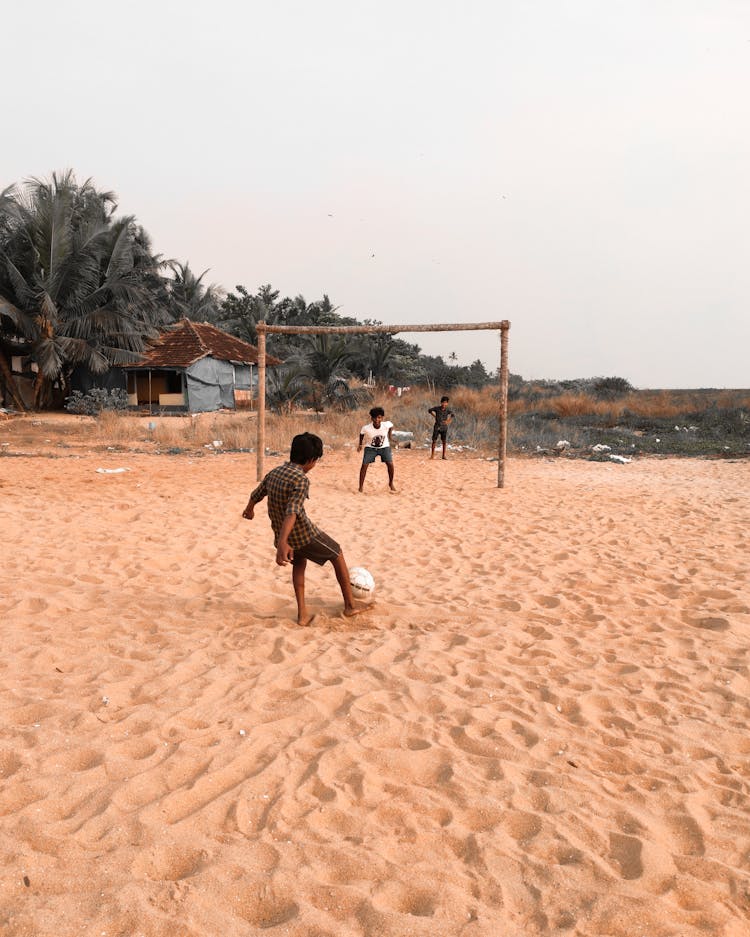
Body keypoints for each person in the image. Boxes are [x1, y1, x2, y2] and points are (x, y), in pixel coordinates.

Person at [243, 432, 368, 626]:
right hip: (301, 534)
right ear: (310, 460)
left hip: (282, 535)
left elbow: (257, 493)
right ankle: (350, 606)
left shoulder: (275, 472)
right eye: (316, 461)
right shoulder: (301, 479)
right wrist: (283, 543)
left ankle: (302, 615)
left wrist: (249, 509)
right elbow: (292, 512)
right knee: (337, 552)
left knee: (299, 565)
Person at [358, 406, 396, 492]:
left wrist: (389, 437)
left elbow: (391, 426)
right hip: (370, 448)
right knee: (364, 465)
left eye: (379, 417)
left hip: (384, 447)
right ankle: (360, 486)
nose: (377, 420)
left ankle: (391, 483)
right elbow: (361, 434)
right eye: (374, 418)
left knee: (390, 464)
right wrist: (360, 444)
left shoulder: (386, 425)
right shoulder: (366, 428)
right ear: (371, 418)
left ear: (382, 418)